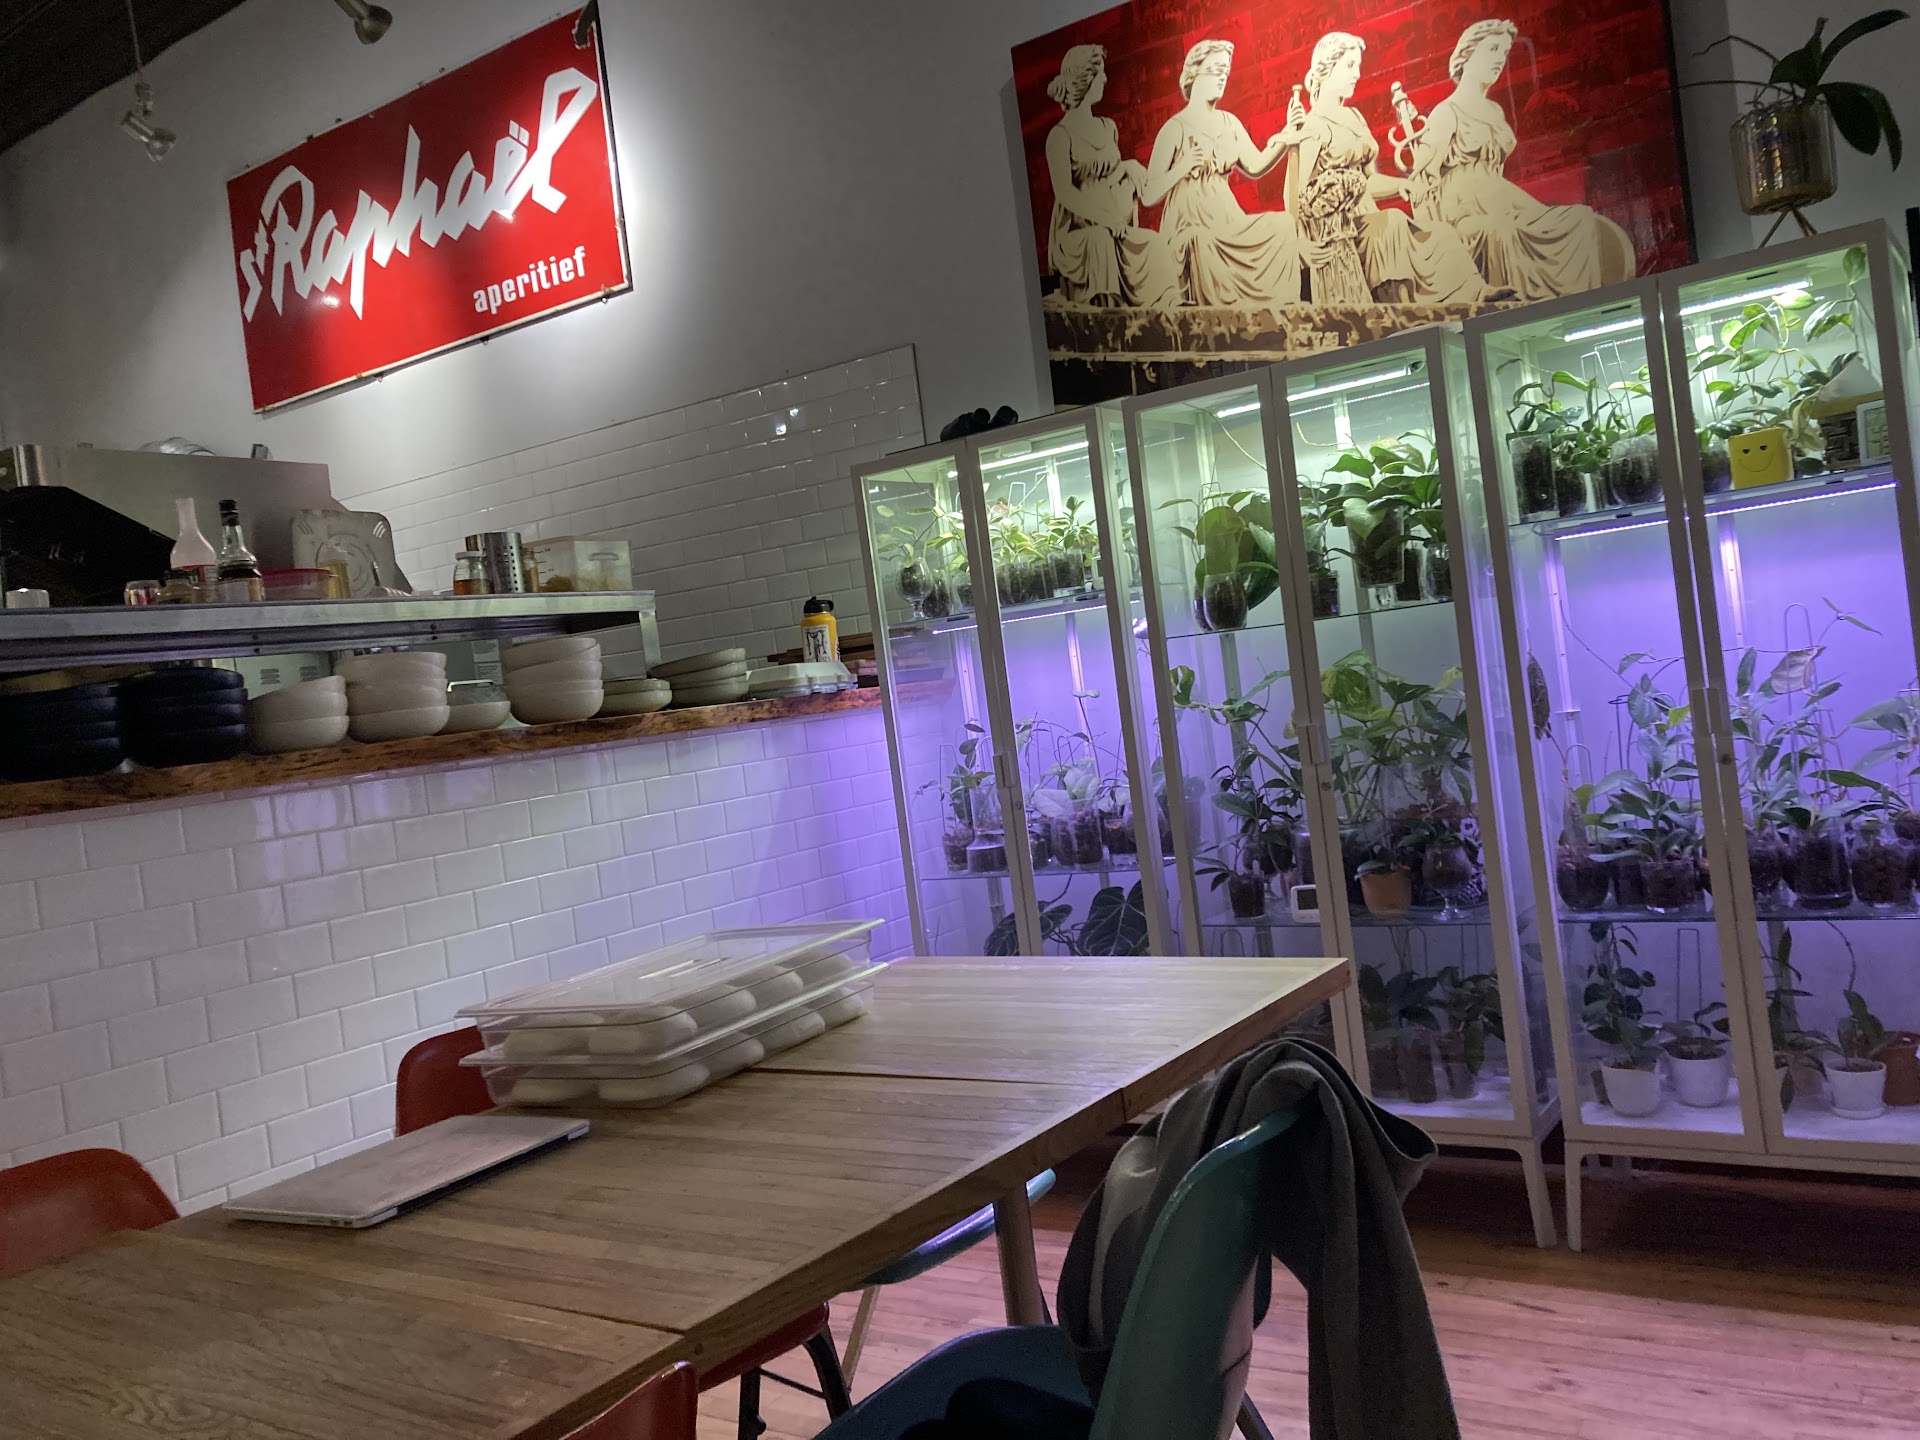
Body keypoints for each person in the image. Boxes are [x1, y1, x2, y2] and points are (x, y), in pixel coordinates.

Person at [1408, 19, 1635, 301]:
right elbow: (1422, 181)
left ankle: (1580, 303)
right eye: (1492, 49)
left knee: (1578, 220)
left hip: (1499, 197)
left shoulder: (1494, 111)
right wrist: (1437, 238)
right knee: (1501, 231)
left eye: (1503, 53)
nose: (1499, 60)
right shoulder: (1446, 112)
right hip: (1464, 211)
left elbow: (1495, 178)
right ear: (1467, 54)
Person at [1291, 32, 1486, 306]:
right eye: (1349, 66)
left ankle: (1476, 293)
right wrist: (1302, 245)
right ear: (1326, 69)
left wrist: (1401, 184)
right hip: (1341, 230)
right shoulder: (1312, 126)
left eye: (1358, 66)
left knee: (1439, 234)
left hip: (1369, 216)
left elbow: (1367, 180)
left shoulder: (1354, 116)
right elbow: (1297, 195)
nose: (1357, 74)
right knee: (1391, 223)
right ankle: (1402, 308)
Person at [1137, 39, 1322, 307]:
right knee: (1203, 242)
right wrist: (1182, 167)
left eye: (1225, 72)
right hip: (1191, 226)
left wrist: (1287, 132)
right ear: (1194, 73)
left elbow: (1256, 165)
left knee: (1282, 225)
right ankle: (1228, 312)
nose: (1222, 78)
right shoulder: (1174, 128)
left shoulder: (1229, 123)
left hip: (1228, 219)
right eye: (1215, 71)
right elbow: (1148, 193)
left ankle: (1283, 304)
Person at [1043, 45, 1181, 309]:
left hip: (1115, 223)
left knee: (1154, 243)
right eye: (1100, 74)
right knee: (1100, 242)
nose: (1105, 80)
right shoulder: (1059, 136)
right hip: (1079, 232)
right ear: (1085, 78)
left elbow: (1107, 176)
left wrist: (1127, 167)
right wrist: (1104, 219)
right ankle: (1110, 315)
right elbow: (1065, 193)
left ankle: (1171, 306)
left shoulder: (1108, 128)